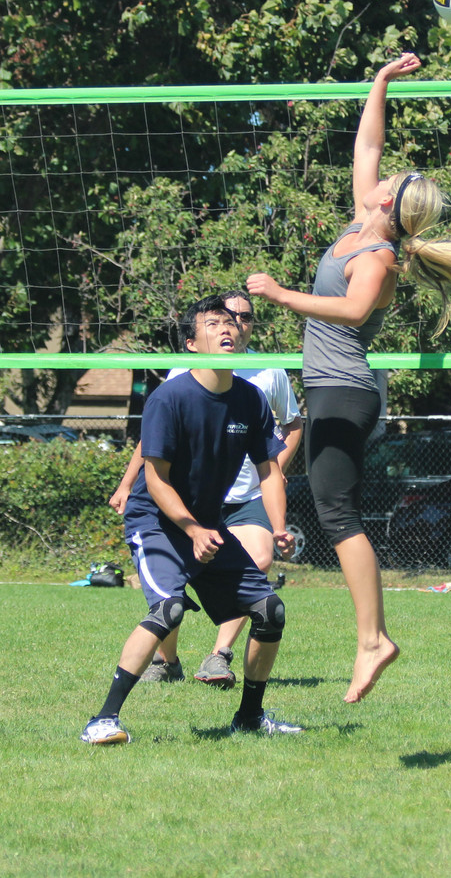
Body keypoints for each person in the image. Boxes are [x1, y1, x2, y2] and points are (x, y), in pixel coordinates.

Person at [246, 51, 451, 704]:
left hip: (345, 392)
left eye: (386, 178)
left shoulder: (379, 254)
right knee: (332, 506)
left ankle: (373, 639)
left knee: (337, 510)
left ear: (388, 199)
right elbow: (368, 144)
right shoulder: (361, 223)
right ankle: (371, 638)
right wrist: (381, 81)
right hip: (331, 390)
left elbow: (355, 310)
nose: (378, 173)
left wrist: (279, 294)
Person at [81, 294, 303, 744]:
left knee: (270, 610)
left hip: (206, 523)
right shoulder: (170, 397)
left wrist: (279, 525)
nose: (227, 328)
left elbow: (269, 471)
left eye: (232, 322)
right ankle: (102, 720)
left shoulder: (251, 399)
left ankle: (249, 717)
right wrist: (192, 529)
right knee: (169, 608)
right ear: (191, 343)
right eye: (213, 323)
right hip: (156, 521)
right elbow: (156, 479)